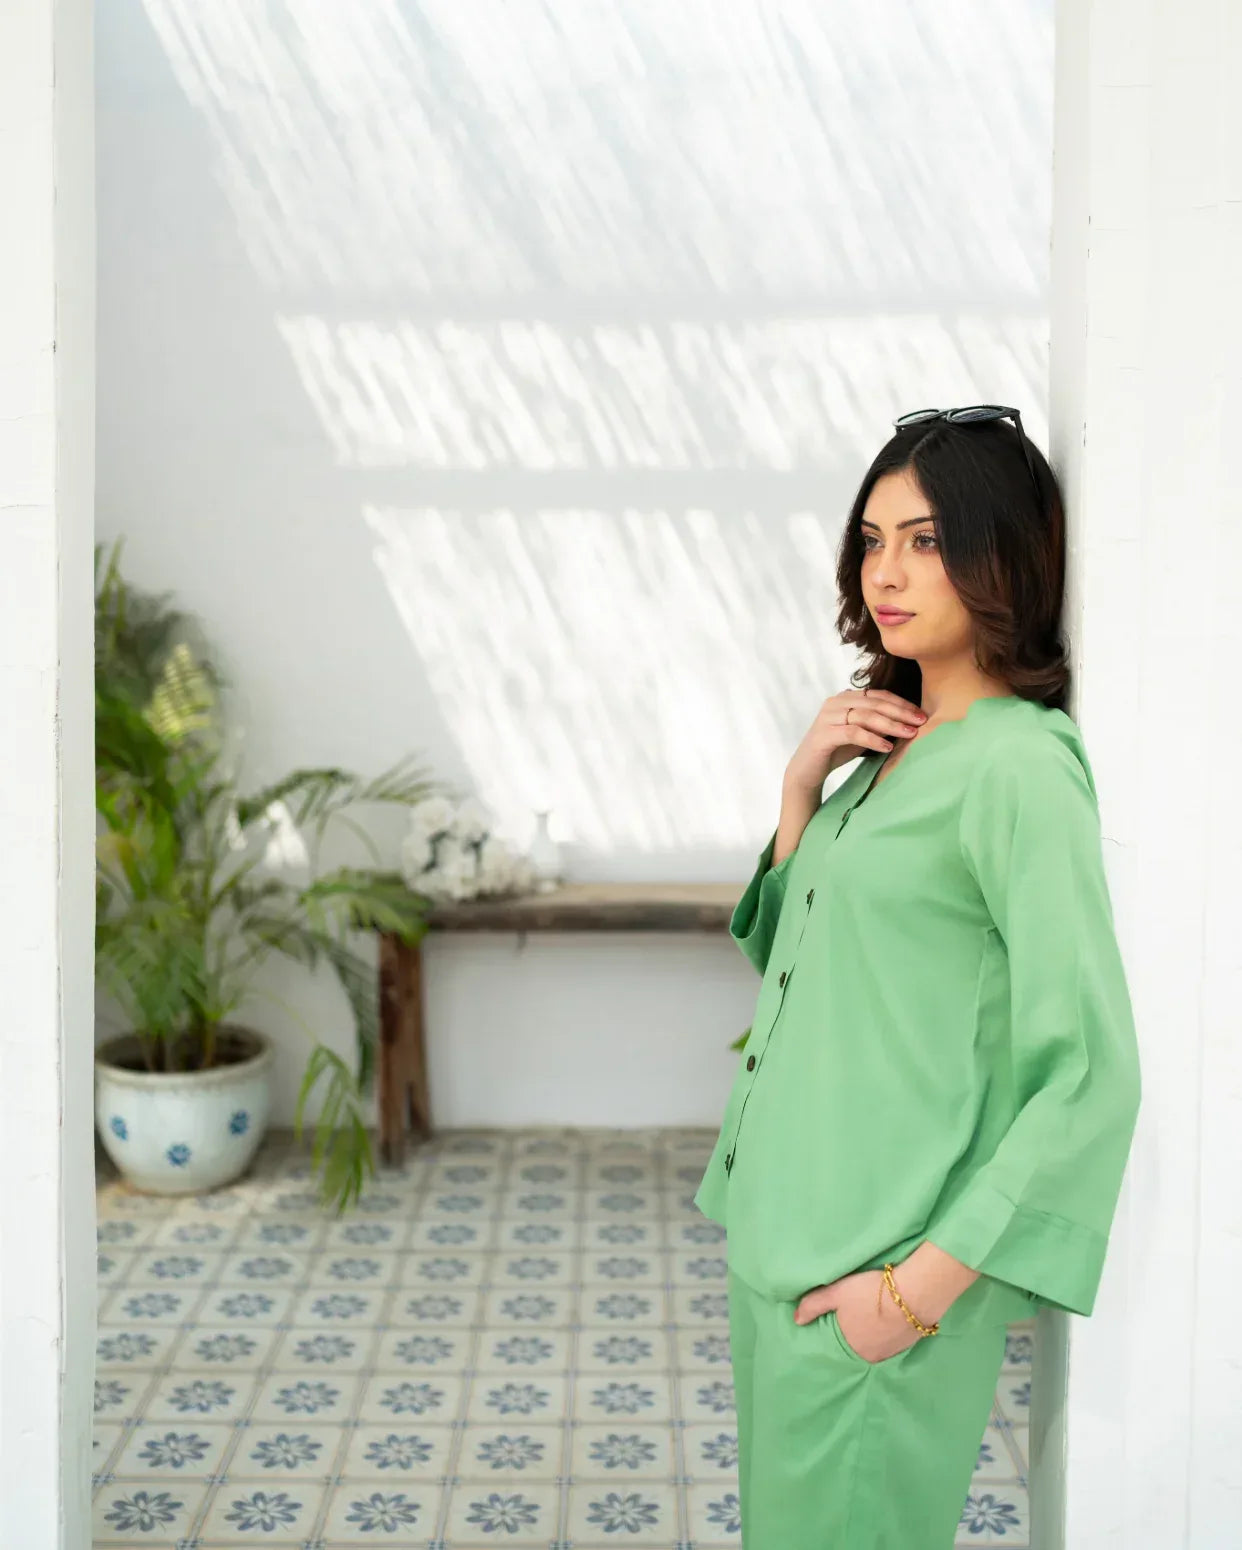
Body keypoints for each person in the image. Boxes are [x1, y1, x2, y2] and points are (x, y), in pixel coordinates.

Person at [693, 405, 1143, 1549]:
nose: (886, 570)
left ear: (1004, 555)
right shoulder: (892, 748)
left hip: (875, 1272)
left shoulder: (1018, 769)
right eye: (874, 537)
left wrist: (912, 1296)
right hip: (781, 1242)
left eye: (929, 539)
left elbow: (1089, 1074)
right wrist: (802, 789)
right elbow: (799, 957)